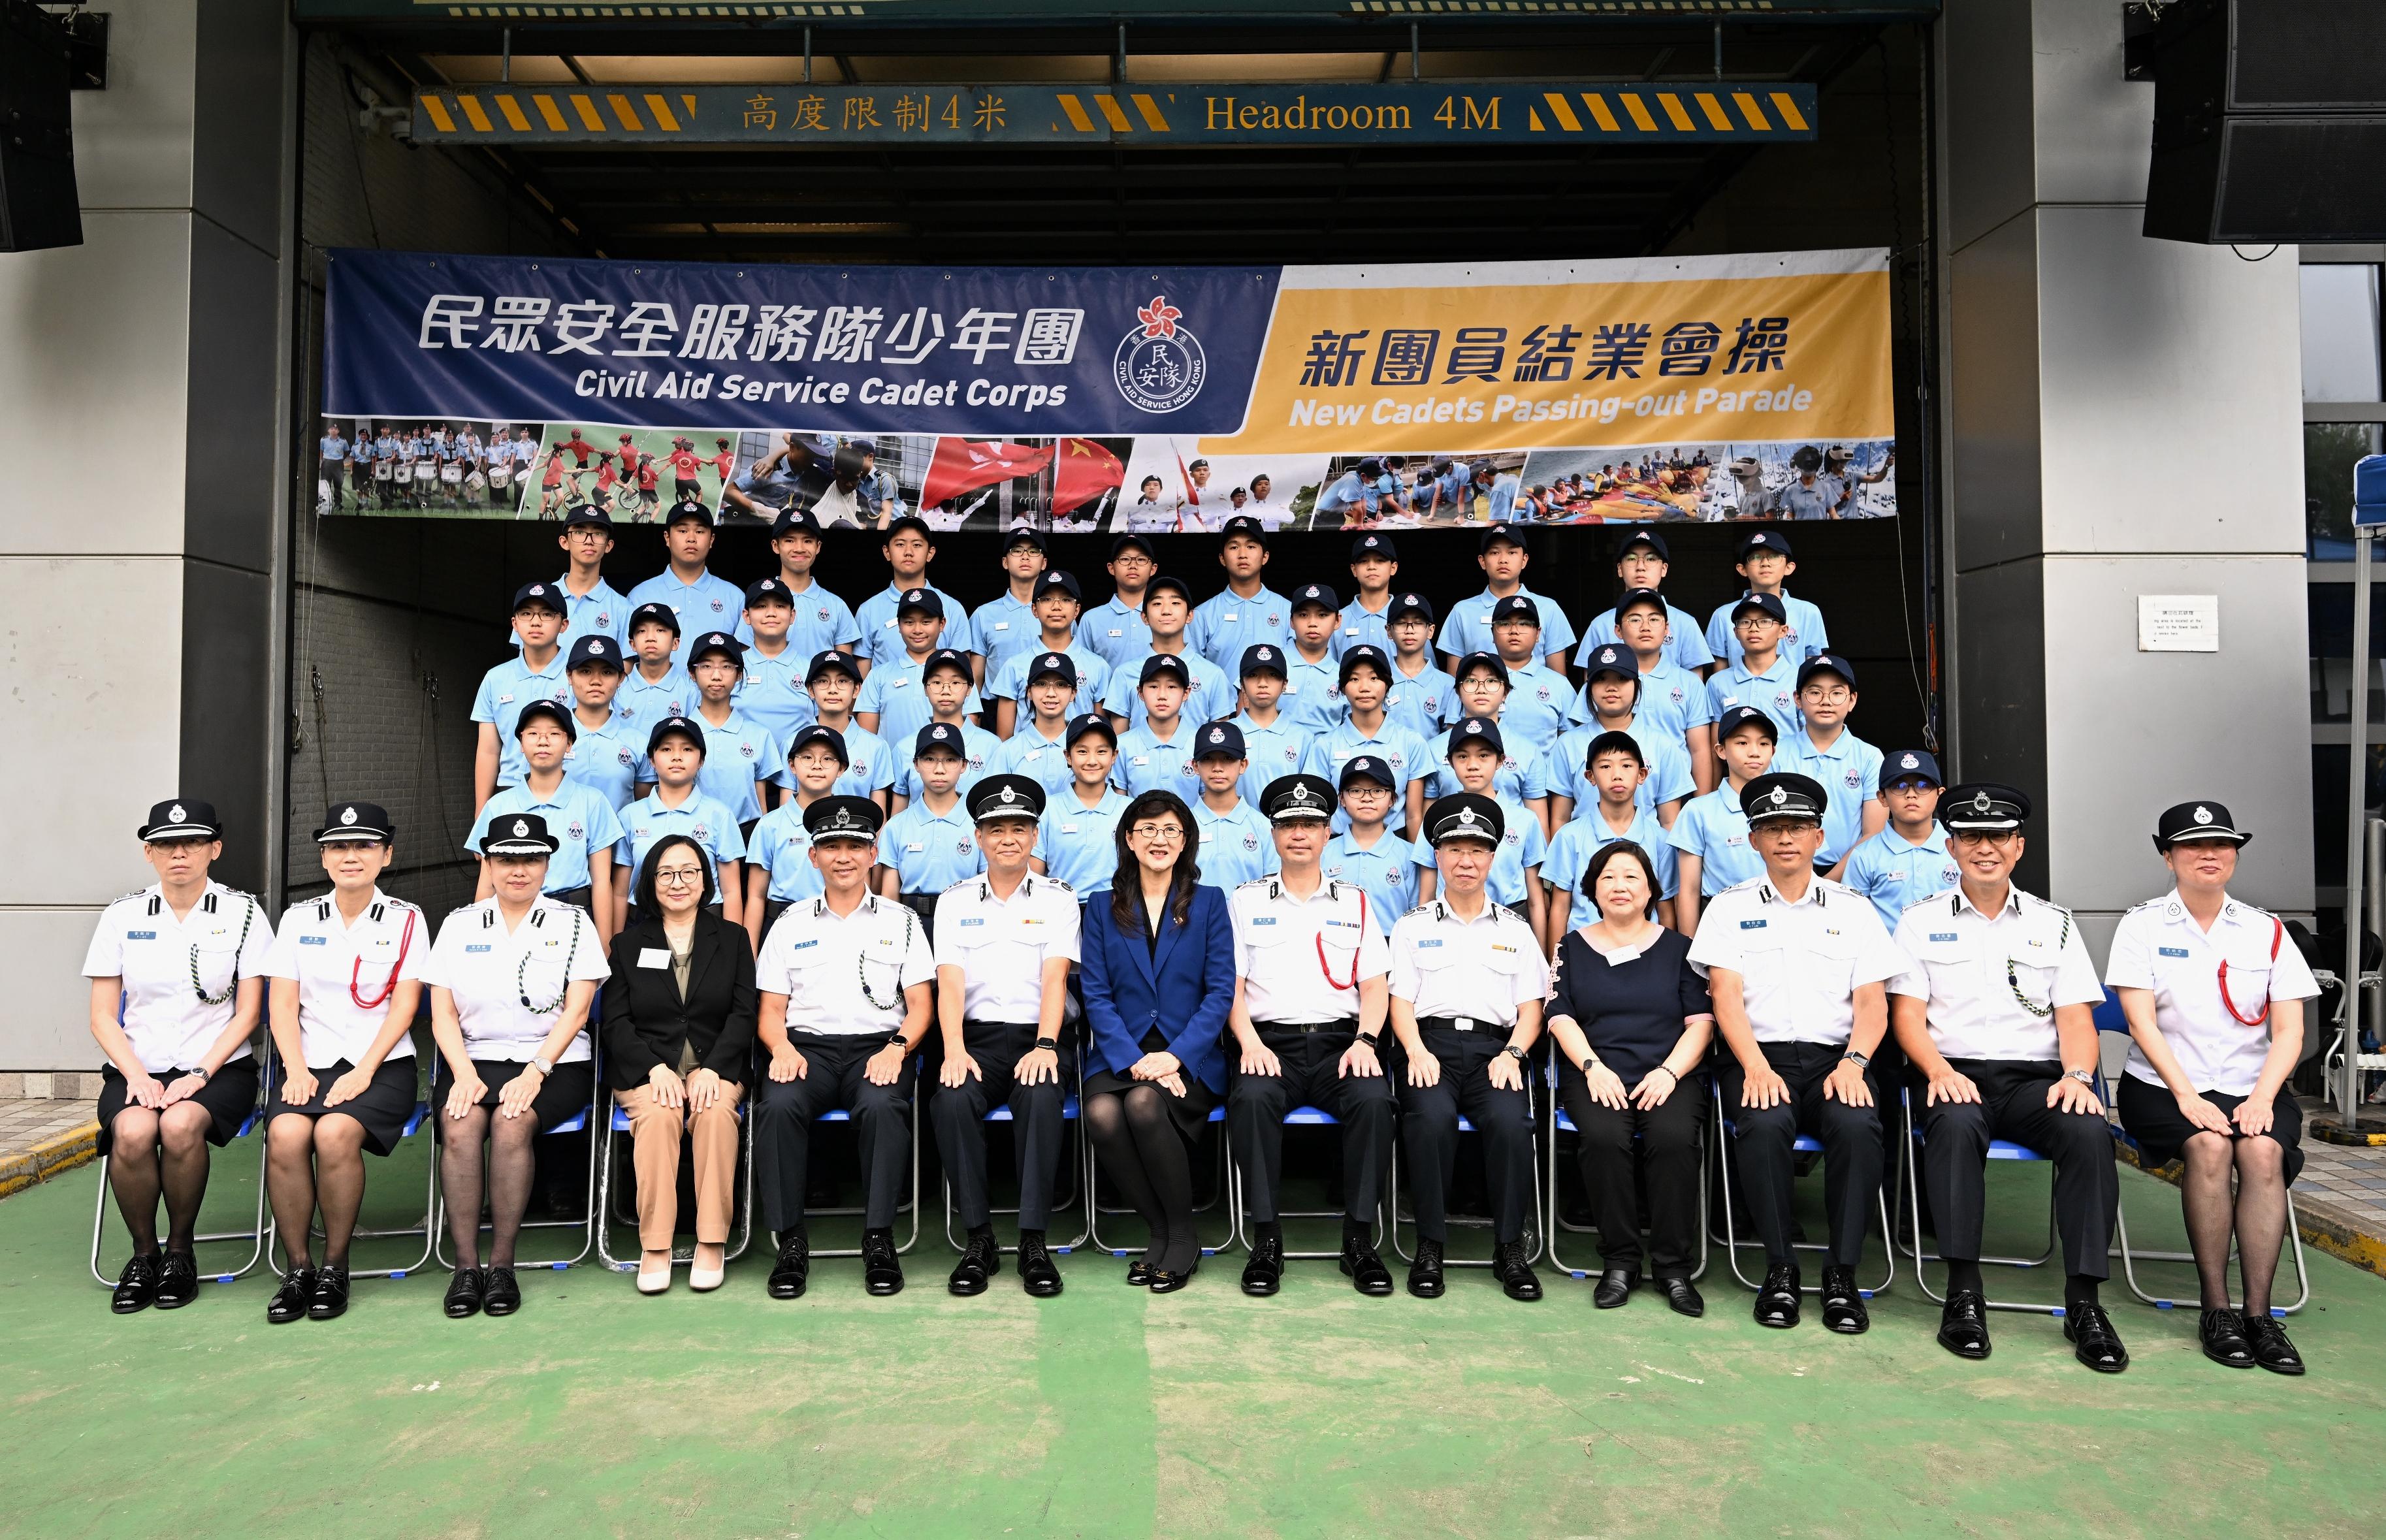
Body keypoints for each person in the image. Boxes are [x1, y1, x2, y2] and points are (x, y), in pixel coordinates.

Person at [1888, 784, 2128, 1372]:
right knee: (1952, 1127)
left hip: (2035, 1082)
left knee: (2089, 1134)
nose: (1984, 848)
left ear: (2018, 847)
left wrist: (2077, 1076)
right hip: (1952, 1074)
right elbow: (1906, 1015)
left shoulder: (2055, 923)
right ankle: (1963, 1294)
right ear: (1951, 847)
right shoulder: (1919, 923)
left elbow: (2076, 1017)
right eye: (1971, 837)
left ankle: (2084, 1304)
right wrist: (1937, 1070)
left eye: (1997, 837)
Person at [1688, 772, 1907, 1333]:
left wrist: (1856, 1063)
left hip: (1839, 1058)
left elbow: (1872, 1003)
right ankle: (1780, 1268)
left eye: (1797, 828)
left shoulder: (1852, 909)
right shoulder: (1727, 908)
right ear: (1754, 839)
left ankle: (1841, 1274)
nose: (1785, 838)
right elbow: (1725, 997)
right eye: (1772, 828)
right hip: (1756, 1056)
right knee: (1762, 1126)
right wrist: (1754, 1066)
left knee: (1858, 1128)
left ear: (1817, 837)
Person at [2106, 799, 2318, 1374]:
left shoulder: (2266, 931)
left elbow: (2290, 1030)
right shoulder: (2142, 925)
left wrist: (2261, 1100)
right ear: (2167, 856)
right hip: (2160, 1086)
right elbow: (2141, 1023)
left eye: (2221, 845)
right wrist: (2185, 1096)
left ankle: (2258, 1315)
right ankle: (2216, 1309)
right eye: (2194, 846)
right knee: (2209, 1146)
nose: (2209, 855)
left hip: (2254, 1086)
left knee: (2262, 1150)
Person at [84, 799, 273, 1313]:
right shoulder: (122, 915)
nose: (179, 853)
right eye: (166, 844)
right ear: (149, 853)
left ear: (215, 848)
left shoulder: (244, 912)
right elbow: (103, 1016)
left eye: (192, 842)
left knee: (181, 1126)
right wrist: (138, 1077)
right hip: (138, 1065)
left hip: (220, 1066)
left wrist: (198, 1073)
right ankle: (144, 1256)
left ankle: (181, 1253)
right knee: (133, 1130)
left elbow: (249, 1013)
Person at [423, 814, 609, 1319]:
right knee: (459, 1126)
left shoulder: (573, 923)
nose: (518, 869)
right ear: (487, 862)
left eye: (530, 859)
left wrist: (537, 1070)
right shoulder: (461, 924)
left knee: (511, 1123)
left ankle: (501, 1264)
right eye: (506, 858)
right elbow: (441, 1012)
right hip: (475, 1058)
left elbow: (578, 1008)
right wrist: (462, 1073)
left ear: (547, 864)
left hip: (554, 1062)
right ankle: (466, 1268)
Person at [752, 797, 937, 1300]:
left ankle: (879, 1238)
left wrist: (898, 1048)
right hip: (805, 1049)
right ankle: (791, 1242)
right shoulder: (790, 922)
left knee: (882, 1106)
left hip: (878, 1047)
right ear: (813, 857)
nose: (843, 856)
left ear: (873, 854)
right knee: (777, 1106)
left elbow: (921, 1005)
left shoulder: (900, 921)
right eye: (830, 846)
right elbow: (769, 1011)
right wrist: (781, 1049)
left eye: (854, 846)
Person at [1225, 774, 1397, 1298]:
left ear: (1328, 834)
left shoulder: (1355, 902)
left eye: (1310, 824)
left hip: (1340, 1046)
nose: (1299, 833)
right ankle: (1266, 1240)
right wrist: (1250, 1043)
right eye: (1288, 825)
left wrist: (1366, 1042)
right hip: (1267, 1044)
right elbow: (1229, 988)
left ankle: (1358, 1241)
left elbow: (1375, 987)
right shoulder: (1243, 900)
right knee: (1250, 1102)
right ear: (1273, 834)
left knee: (1374, 1102)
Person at [260, 803, 425, 1324]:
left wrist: (362, 1070)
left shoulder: (406, 918)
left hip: (381, 1065)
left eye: (364, 846)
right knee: (285, 1135)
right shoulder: (298, 919)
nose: (350, 856)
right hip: (306, 1064)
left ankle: (335, 1267)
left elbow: (405, 1004)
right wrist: (295, 1068)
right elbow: (282, 1003)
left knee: (333, 1134)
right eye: (338, 846)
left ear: (386, 855)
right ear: (325, 857)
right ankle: (299, 1270)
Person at [1387, 793, 1550, 1302]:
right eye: (1454, 849)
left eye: (1476, 850)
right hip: (1428, 1045)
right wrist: (1413, 1050)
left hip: (1493, 1054)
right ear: (1437, 855)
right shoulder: (1412, 925)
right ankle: (1429, 1246)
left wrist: (1514, 1055)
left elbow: (1531, 1008)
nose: (1465, 860)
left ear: (1491, 858)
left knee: (1509, 1124)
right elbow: (1399, 1001)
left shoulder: (1516, 930)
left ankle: (1509, 1250)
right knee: (1430, 1121)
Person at [1544, 840, 1713, 1315]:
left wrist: (1668, 1072)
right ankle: (1619, 1262)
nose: (1619, 886)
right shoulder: (1572, 947)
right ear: (1592, 890)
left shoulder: (1681, 949)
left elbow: (1701, 1022)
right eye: (1608, 878)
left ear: (1649, 888)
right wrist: (1592, 1067)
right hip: (1596, 1072)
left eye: (1631, 876)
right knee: (1602, 1138)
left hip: (1669, 1073)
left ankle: (1673, 1268)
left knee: (1674, 1139)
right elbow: (1559, 1017)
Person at [1078, 790, 1236, 1291]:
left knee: (1145, 1105)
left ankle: (1182, 1235)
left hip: (1190, 1056)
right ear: (1128, 839)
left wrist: (1173, 1056)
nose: (1158, 839)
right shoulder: (1102, 907)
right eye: (1147, 829)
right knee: (1101, 1113)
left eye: (1170, 829)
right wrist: (1131, 1058)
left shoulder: (1209, 902)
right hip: (1119, 1049)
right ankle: (1160, 1231)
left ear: (1185, 839)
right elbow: (1096, 994)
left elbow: (1220, 992)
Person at [929, 776, 1081, 1299]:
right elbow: (949, 981)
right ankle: (979, 1240)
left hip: (1038, 1033)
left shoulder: (1060, 898)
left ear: (1035, 837)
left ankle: (1033, 1241)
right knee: (950, 1101)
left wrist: (1045, 1045)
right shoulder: (953, 901)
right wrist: (952, 1049)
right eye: (996, 830)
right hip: (973, 1039)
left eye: (1019, 828)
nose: (1008, 839)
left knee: (1041, 1097)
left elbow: (1055, 977)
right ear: (978, 837)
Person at [602, 835, 757, 1296]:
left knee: (712, 1115)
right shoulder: (627, 944)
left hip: (717, 1067)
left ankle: (711, 1240)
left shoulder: (732, 938)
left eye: (689, 872)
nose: (678, 882)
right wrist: (653, 1069)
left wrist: (714, 1068)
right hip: (649, 1072)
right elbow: (615, 1021)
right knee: (658, 1115)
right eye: (666, 873)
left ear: (705, 880)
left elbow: (743, 1012)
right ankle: (656, 1245)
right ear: (650, 883)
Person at [466, 700, 623, 935]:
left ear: (569, 743)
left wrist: (604, 945)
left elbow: (602, 882)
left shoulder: (593, 802)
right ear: (520, 743)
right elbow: (487, 883)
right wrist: (479, 937)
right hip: (511, 914)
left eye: (554, 734)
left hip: (573, 913)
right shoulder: (498, 805)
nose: (543, 741)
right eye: (533, 733)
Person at [1540, 732, 1681, 946]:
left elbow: (1666, 910)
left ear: (1642, 774)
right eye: (1605, 766)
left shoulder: (1661, 841)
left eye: (1627, 766)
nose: (1617, 775)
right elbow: (1560, 908)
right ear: (1591, 777)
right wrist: (1557, 969)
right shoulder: (1569, 837)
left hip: (1644, 953)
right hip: (1584, 953)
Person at [613, 717, 747, 933]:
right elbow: (620, 892)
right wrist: (615, 946)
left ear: (701, 760)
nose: (676, 757)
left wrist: (732, 949)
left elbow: (731, 892)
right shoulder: (630, 816)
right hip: (643, 925)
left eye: (687, 749)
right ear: (652, 760)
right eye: (666, 749)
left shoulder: (719, 815)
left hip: (704, 925)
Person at [1668, 705, 1779, 935]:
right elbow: (1688, 891)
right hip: (1722, 924)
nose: (1754, 752)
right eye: (1742, 743)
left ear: (1773, 751)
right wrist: (1690, 949)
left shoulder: (1785, 807)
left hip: (1779, 920)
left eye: (1763, 743)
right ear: (1721, 751)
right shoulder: (1699, 810)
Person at [1774, 654, 1884, 875]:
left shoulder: (1870, 757)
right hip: (1785, 872)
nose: (1826, 701)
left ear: (1852, 700)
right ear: (1798, 699)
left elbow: (1873, 834)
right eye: (1815, 693)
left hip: (1850, 873)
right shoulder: (1776, 753)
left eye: (1837, 693)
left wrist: (1830, 881)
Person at [471, 583, 573, 813]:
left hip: (565, 790)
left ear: (564, 624)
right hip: (510, 791)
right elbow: (488, 750)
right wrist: (481, 811)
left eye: (547, 614)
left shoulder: (578, 676)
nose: (535, 622)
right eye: (526, 614)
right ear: (515, 623)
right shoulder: (495, 679)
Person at [745, 723, 850, 946]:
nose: (817, 766)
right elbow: (755, 897)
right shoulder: (769, 825)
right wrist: (749, 959)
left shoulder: (851, 825)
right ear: (792, 765)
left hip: (836, 925)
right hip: (781, 926)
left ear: (841, 769)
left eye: (828, 759)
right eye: (807, 758)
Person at [1839, 750, 1962, 929]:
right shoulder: (1865, 856)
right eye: (1899, 786)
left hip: (1948, 954)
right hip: (1885, 955)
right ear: (1882, 798)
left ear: (1939, 794)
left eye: (1923, 785)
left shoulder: (1958, 850)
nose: (1911, 794)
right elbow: (1850, 920)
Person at [879, 724, 986, 926]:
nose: (939, 769)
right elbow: (890, 896)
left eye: (950, 760)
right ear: (916, 764)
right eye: (929, 759)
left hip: (966, 921)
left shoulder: (979, 825)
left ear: (964, 766)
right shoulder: (897, 826)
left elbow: (987, 887)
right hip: (911, 923)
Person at [1101, 575, 1233, 731]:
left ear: (1190, 615)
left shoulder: (1213, 674)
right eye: (1157, 603)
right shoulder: (1124, 673)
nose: (1166, 611)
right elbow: (1120, 743)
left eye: (1175, 603)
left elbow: (1221, 741)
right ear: (1144, 617)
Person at [1573, 528, 1715, 674]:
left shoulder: (1686, 624)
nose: (1641, 567)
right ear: (1620, 569)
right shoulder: (1600, 625)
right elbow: (1590, 687)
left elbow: (1695, 687)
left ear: (1664, 569)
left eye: (1651, 559)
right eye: (1631, 559)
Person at [1438, 524, 1576, 672]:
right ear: (1482, 561)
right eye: (1495, 553)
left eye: (1511, 552)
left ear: (1524, 560)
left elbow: (1558, 681)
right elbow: (1454, 683)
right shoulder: (1462, 612)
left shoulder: (1549, 609)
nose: (1503, 560)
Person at [624, 500, 746, 666]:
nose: (691, 538)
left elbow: (745, 662)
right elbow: (628, 663)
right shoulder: (640, 596)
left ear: (712, 540)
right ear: (667, 538)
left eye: (700, 531)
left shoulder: (735, 597)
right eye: (682, 530)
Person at [988, 572, 1110, 736]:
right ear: (1034, 609)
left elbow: (1099, 733)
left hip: (1079, 760)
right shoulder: (1015, 665)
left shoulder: (1098, 666)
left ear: (1077, 610)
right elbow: (1005, 740)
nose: (1056, 606)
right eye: (1046, 599)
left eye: (1066, 600)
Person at [853, 515, 977, 673]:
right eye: (900, 544)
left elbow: (962, 676)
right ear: (887, 552)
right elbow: (862, 682)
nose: (908, 552)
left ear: (930, 553)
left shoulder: (953, 608)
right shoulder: (868, 611)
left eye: (917, 545)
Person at [508, 504, 630, 654]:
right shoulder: (537, 599)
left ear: (609, 545)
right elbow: (526, 660)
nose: (589, 540)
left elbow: (625, 669)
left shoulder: (623, 608)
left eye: (598, 533)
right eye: (579, 532)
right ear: (564, 542)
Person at [1704, 528, 1830, 670]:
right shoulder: (1723, 615)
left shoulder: (1808, 612)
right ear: (1742, 569)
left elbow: (1813, 670)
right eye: (1756, 557)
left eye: (1775, 556)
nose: (1765, 563)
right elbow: (1720, 678)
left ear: (1789, 567)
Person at [1033, 715, 1132, 893]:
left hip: (1118, 911)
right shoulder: (1048, 810)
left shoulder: (1129, 810)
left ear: (1114, 756)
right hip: (1061, 910)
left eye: (1101, 752)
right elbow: (1035, 877)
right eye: (1082, 752)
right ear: (1068, 757)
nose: (1092, 761)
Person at [746, 508, 862, 660]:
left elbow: (844, 671)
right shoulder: (756, 602)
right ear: (776, 546)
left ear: (818, 547)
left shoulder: (836, 605)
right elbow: (746, 664)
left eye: (807, 541)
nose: (799, 549)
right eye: (789, 540)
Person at [1188, 515, 1291, 676]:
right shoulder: (1202, 614)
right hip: (1220, 702)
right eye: (1234, 547)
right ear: (1222, 558)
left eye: (1250, 547)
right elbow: (1194, 673)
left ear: (1265, 557)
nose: (1242, 554)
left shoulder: (1288, 610)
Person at [1321, 755, 1419, 922]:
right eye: (1356, 791)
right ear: (1342, 800)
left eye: (1378, 791)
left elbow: (1417, 913)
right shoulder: (1324, 853)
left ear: (1392, 800)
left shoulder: (1409, 856)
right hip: (1335, 943)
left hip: (1392, 943)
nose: (1367, 798)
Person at [1703, 593, 1803, 744]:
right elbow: (1715, 745)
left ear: (1783, 631)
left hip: (1788, 768)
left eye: (1764, 621)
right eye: (1745, 622)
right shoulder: (1717, 683)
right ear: (1736, 632)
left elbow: (1811, 737)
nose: (1754, 628)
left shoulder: (1800, 679)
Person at [1111, 654, 1203, 798]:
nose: (1162, 695)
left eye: (1172, 687)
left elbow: (1207, 801)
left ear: (1186, 693)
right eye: (1153, 686)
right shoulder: (1123, 746)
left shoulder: (1200, 743)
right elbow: (1120, 804)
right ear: (1140, 692)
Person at [968, 526, 1052, 681]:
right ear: (1005, 562)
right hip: (994, 703)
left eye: (1033, 551)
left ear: (1044, 563)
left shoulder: (1057, 613)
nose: (1025, 557)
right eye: (1017, 550)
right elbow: (976, 677)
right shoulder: (983, 615)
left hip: (1046, 702)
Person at [1082, 533, 1157, 672]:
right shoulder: (1092, 619)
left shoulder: (1166, 616)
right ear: (1111, 568)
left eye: (1141, 559)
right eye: (1124, 559)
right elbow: (1083, 671)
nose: (1133, 565)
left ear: (1153, 569)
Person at [614, 603, 692, 735]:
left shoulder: (690, 691)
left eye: (660, 630)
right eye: (642, 631)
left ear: (675, 643)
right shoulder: (617, 689)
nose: (650, 638)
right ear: (632, 645)